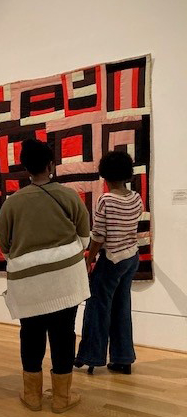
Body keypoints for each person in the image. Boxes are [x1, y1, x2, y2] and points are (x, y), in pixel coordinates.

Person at [0, 139, 90, 413]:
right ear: (51, 165)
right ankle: (61, 398)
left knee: (31, 334)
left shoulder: (12, 203)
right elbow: (84, 238)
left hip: (28, 283)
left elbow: (5, 247)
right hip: (66, 280)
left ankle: (33, 395)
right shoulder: (69, 196)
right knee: (63, 335)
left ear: (25, 167)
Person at [75, 151, 143, 375]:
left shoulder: (107, 199)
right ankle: (123, 359)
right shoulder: (135, 198)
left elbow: (98, 236)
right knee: (122, 307)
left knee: (97, 308)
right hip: (131, 258)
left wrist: (89, 258)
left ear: (105, 175)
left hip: (112, 260)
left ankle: (91, 356)